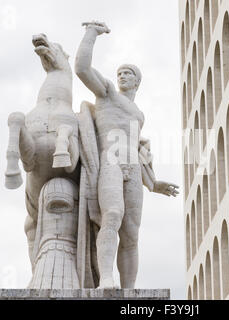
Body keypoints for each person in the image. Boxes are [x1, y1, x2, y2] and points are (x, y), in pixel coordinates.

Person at [75, 21, 180, 289]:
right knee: (112, 215)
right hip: (110, 162)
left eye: (127, 73)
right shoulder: (108, 93)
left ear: (137, 81)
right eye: (119, 72)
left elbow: (136, 150)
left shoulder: (139, 114)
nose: (121, 76)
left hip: (133, 169)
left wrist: (153, 183)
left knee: (131, 233)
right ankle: (106, 279)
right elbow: (82, 68)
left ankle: (129, 289)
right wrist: (92, 33)